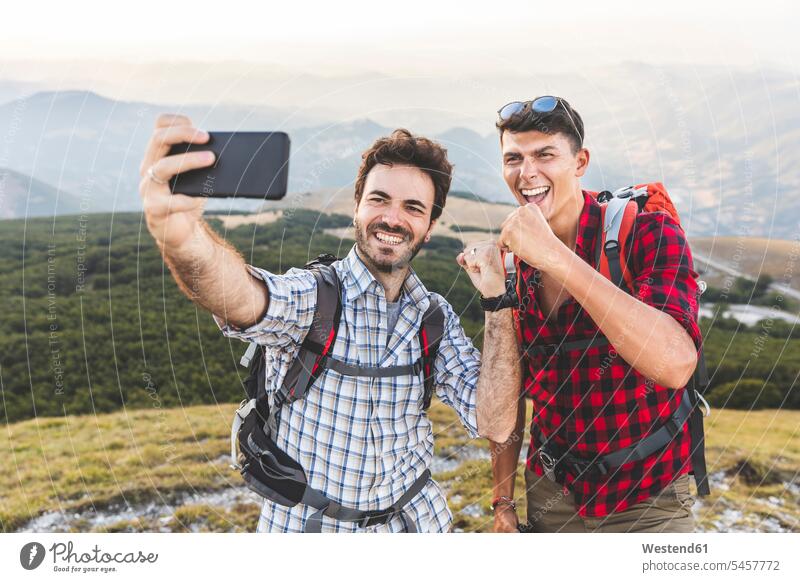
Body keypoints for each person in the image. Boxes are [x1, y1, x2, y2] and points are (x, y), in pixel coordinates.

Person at [138, 114, 520, 532]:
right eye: (379, 199)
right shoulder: (315, 299)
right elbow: (243, 298)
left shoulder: (434, 318)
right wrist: (182, 237)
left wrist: (498, 302)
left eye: (413, 208)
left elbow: (495, 422)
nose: (393, 218)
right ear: (356, 209)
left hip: (416, 526)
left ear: (428, 228)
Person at [485, 96, 702, 533]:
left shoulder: (645, 231)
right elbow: (511, 395)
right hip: (552, 494)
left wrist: (556, 257)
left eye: (545, 155)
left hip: (650, 496)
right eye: (513, 158)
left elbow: (676, 363)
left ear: (580, 162)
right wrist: (502, 501)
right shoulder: (513, 261)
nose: (527, 173)